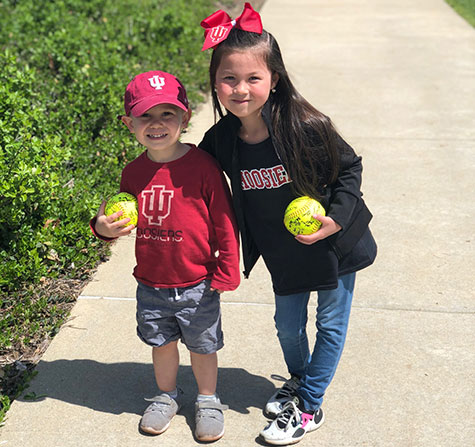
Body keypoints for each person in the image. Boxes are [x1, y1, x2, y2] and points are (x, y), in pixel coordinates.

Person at [198, 3, 377, 445]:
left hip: (335, 244)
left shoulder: (305, 125)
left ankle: (310, 405)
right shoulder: (221, 140)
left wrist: (334, 222)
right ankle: (300, 379)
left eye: (253, 78)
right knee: (287, 326)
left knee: (330, 326)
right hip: (284, 250)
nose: (241, 89)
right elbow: (192, 175)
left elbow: (350, 169)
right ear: (215, 82)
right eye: (229, 79)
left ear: (274, 80)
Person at [90, 70, 240, 442]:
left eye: (167, 114)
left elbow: (224, 219)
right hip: (152, 282)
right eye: (145, 116)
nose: (156, 124)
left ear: (185, 118)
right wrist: (102, 228)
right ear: (129, 124)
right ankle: (166, 395)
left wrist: (228, 267)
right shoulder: (133, 172)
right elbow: (114, 217)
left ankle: (208, 399)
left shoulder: (203, 167)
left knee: (203, 346)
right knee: (161, 344)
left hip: (198, 283)